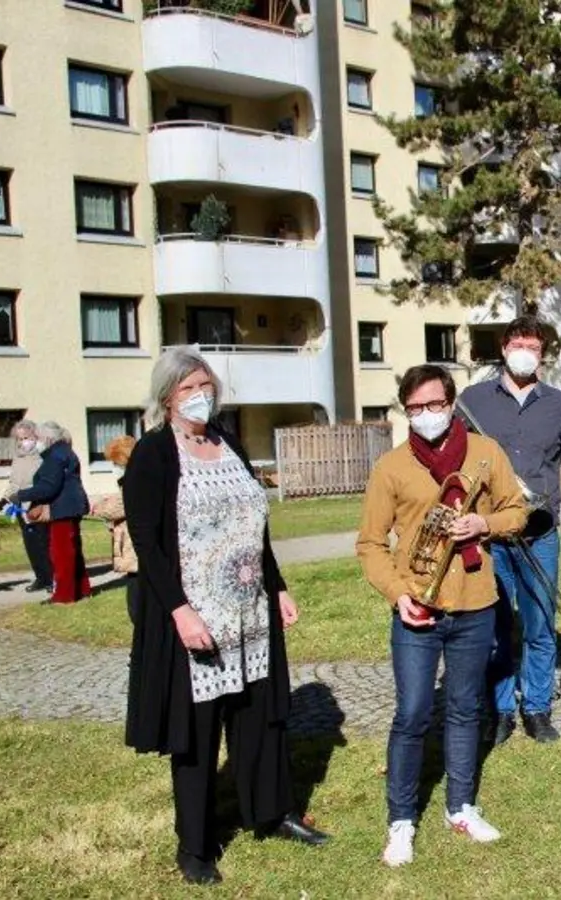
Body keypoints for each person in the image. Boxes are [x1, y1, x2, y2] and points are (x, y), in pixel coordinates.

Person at [123, 348, 328, 886]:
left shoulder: (228, 442)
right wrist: (179, 611)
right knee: (197, 733)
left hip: (250, 609)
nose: (201, 393)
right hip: (196, 616)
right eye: (189, 385)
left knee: (260, 718)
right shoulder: (154, 453)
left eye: (206, 384)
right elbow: (146, 541)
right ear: (167, 394)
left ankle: (273, 812)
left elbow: (254, 528)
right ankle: (195, 846)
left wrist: (276, 585)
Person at [359, 364, 529, 868]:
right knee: (412, 714)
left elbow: (518, 511)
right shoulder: (391, 466)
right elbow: (369, 544)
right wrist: (396, 593)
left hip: (476, 603)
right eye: (414, 409)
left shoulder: (486, 452)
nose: (426, 415)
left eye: (434, 405)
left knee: (463, 710)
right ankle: (401, 820)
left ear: (451, 403)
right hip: (416, 607)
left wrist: (484, 522)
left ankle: (460, 806)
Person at [456, 316, 561, 746]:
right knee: (496, 627)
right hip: (490, 536)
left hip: (540, 534)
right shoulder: (473, 400)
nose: (524, 351)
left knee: (539, 625)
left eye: (533, 345)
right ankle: (499, 711)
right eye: (518, 343)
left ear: (542, 353)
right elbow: (453, 460)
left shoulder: (559, 403)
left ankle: (536, 708)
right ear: (503, 346)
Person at [13, 422, 91, 604]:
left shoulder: (55, 456)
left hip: (62, 509)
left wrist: (20, 495)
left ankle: (64, 595)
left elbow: (48, 487)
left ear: (48, 438)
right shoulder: (64, 452)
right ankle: (82, 589)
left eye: (37, 438)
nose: (35, 442)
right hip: (71, 506)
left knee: (61, 553)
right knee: (73, 551)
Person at [0, 420, 53, 592]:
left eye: (27, 437)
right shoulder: (18, 457)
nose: (24, 442)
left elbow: (46, 483)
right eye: (20, 438)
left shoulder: (43, 455)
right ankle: (41, 578)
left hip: (38, 506)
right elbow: (14, 483)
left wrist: (44, 504)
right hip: (22, 507)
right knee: (31, 545)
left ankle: (52, 578)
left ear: (34, 436)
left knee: (44, 544)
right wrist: (4, 500)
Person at [89, 435, 138, 580]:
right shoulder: (133, 478)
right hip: (131, 537)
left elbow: (120, 505)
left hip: (133, 539)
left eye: (116, 463)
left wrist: (97, 508)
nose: (114, 467)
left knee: (136, 584)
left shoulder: (133, 480)